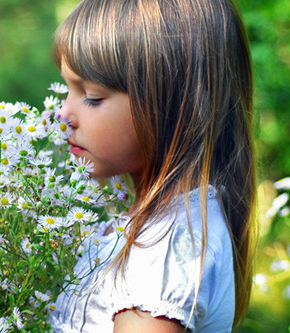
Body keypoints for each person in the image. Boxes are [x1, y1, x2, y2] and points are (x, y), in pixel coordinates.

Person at [49, 0, 257, 332]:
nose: (63, 115)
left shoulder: (165, 247)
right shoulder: (157, 227)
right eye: (66, 89)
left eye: (91, 96)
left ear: (171, 107)